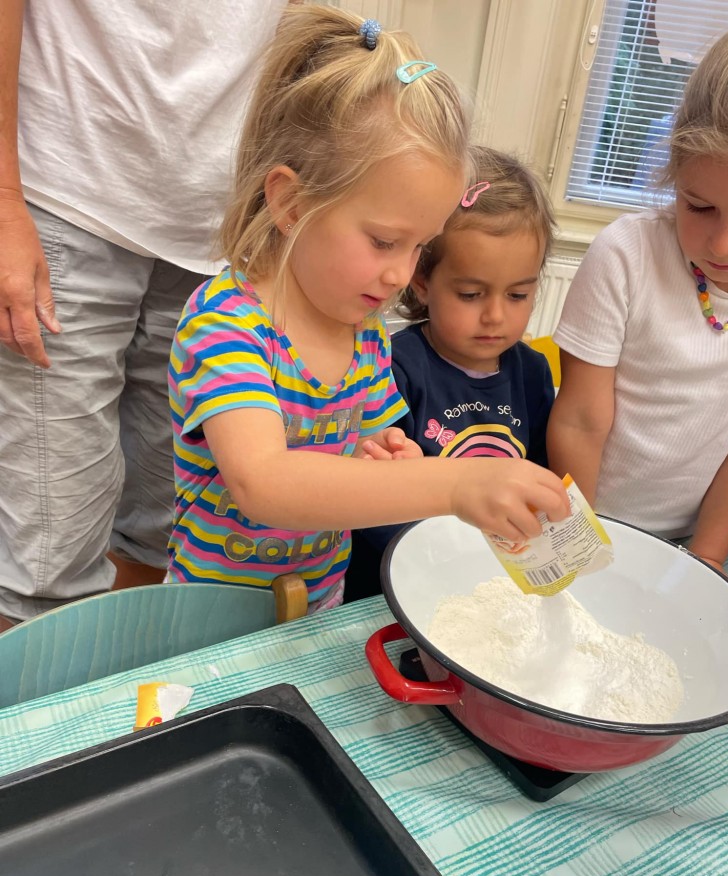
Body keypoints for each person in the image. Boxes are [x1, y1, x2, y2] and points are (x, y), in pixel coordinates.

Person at [167, 7, 570, 612]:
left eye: (419, 247)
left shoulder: (365, 334)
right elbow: (263, 482)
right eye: (383, 242)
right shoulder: (224, 322)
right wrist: (455, 482)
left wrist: (386, 454)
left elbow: (368, 443)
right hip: (210, 615)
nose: (402, 275)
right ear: (292, 204)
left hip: (319, 604)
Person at [0, 0, 291, 630]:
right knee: (48, 561)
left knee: (164, 532)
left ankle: (120, 693)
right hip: (65, 193)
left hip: (217, 232)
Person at [547, 20, 728, 566]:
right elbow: (581, 421)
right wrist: (578, 544)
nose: (724, 244)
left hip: (691, 537)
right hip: (589, 520)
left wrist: (707, 561)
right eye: (699, 206)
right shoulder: (626, 254)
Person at [346, 146, 557, 600]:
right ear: (422, 282)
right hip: (396, 583)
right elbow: (372, 504)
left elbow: (537, 473)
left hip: (491, 575)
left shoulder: (532, 372)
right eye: (470, 294)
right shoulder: (393, 366)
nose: (495, 316)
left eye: (517, 295)